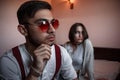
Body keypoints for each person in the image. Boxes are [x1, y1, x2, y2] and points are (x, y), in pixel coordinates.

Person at [0, 1, 77, 80]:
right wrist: (34, 72)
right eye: (43, 24)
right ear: (23, 30)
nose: (52, 30)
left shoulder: (61, 52)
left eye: (54, 23)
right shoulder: (9, 62)